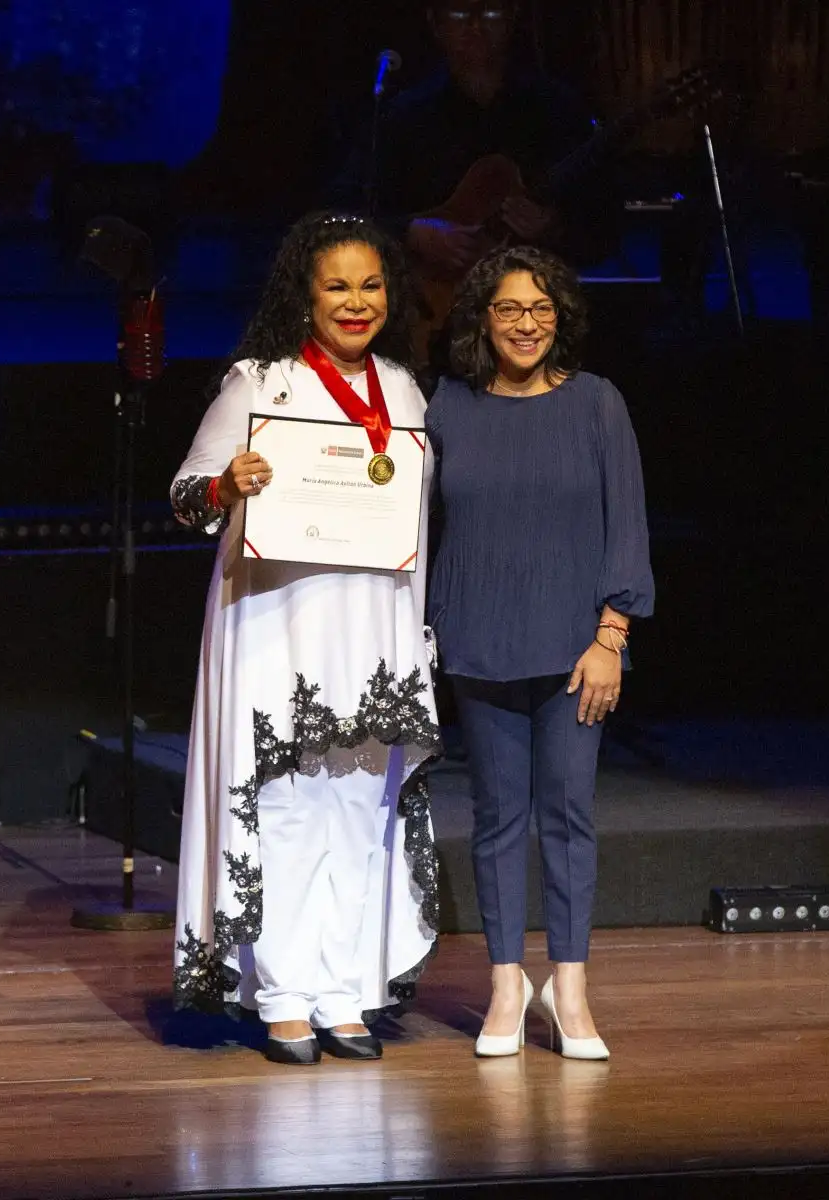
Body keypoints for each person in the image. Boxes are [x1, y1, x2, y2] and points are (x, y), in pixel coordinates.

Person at [168, 212, 442, 1066]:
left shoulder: (404, 390)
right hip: (278, 627)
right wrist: (226, 481)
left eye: (371, 286)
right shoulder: (260, 383)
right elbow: (184, 496)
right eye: (337, 287)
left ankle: (346, 991)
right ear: (305, 295)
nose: (356, 303)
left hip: (376, 629)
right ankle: (283, 996)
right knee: (285, 810)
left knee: (361, 809)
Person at [425, 246, 653, 1059]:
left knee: (567, 814)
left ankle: (572, 986)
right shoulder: (447, 407)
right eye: (510, 309)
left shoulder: (597, 405)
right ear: (482, 319)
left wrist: (611, 638)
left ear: (561, 317)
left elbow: (626, 524)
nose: (527, 323)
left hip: (573, 649)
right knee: (495, 819)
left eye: (542, 308)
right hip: (480, 637)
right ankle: (504, 984)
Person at [332, 1, 616, 368]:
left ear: (513, 20)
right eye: (460, 15)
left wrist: (553, 226)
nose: (476, 28)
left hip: (537, 332)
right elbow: (341, 210)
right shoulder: (404, 117)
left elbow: (604, 226)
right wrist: (413, 232)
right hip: (431, 331)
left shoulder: (557, 110)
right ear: (436, 23)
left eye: (492, 14)